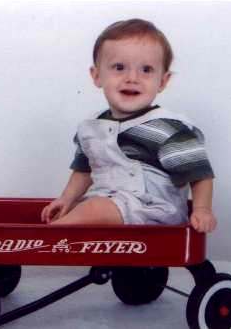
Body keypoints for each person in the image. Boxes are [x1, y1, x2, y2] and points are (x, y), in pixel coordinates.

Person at [41, 18, 217, 233]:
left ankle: (46, 238)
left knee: (95, 210)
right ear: (96, 76)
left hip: (153, 209)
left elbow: (199, 174)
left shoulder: (167, 129)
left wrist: (202, 209)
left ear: (163, 81)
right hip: (109, 202)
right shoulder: (91, 128)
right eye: (119, 67)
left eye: (146, 70)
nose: (132, 78)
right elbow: (84, 169)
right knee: (89, 208)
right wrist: (66, 199)